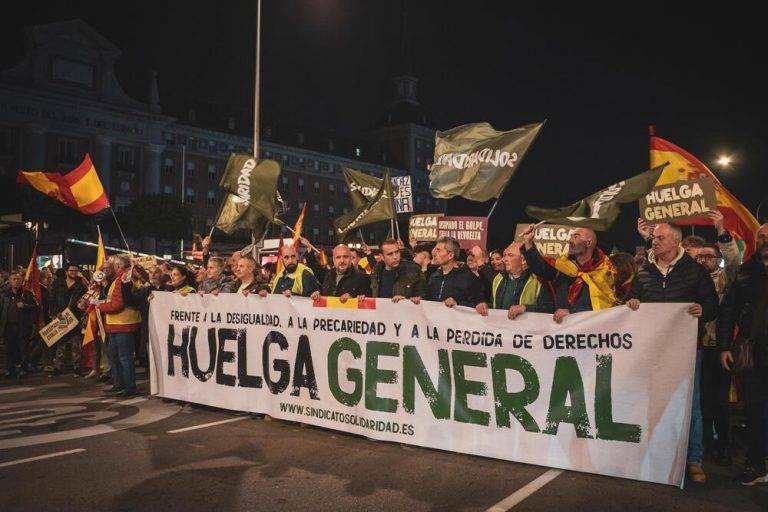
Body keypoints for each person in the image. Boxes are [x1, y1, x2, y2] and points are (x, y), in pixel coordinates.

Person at [626, 222, 718, 483]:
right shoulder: (644, 271)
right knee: (653, 400)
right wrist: (632, 302)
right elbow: (633, 298)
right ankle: (657, 453)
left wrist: (704, 310)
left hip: (687, 349)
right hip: (653, 350)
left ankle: (694, 460)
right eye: (654, 238)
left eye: (661, 238)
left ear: (676, 242)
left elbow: (712, 305)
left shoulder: (695, 271)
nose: (655, 242)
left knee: (692, 404)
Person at [718, 240, 768, 485]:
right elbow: (728, 311)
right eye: (762, 237)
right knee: (754, 409)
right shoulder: (745, 273)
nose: (766, 241)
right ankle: (756, 463)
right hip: (754, 353)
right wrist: (725, 346)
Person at [521, 225, 617, 323]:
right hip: (564, 330)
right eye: (570, 237)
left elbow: (610, 304)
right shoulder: (562, 266)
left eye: (576, 237)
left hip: (594, 328)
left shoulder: (607, 270)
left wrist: (572, 312)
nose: (570, 240)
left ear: (588, 243)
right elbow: (539, 267)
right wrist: (528, 242)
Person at [95, 255, 142, 397]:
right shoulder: (121, 278)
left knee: (123, 357)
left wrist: (100, 305)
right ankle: (119, 384)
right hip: (117, 324)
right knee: (114, 356)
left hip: (123, 324)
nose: (110, 267)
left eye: (113, 265)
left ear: (118, 267)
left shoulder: (122, 279)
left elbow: (117, 304)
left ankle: (128, 387)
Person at [487, 242, 554, 318]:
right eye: (504, 255)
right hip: (501, 328)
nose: (504, 259)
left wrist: (526, 308)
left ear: (523, 260)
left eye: (510, 255)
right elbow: (493, 305)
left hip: (527, 328)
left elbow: (549, 309)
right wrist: (485, 306)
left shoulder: (538, 280)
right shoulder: (498, 278)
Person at [50, 263, 87, 376]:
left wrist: (82, 307)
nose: (73, 273)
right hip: (61, 316)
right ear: (66, 271)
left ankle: (77, 367)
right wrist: (56, 312)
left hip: (75, 317)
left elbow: (85, 301)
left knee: (76, 343)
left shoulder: (81, 286)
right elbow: (52, 300)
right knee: (61, 342)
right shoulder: (57, 284)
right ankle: (58, 368)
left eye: (76, 271)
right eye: (71, 270)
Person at [426, 236, 484, 309]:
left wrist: (457, 303)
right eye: (435, 249)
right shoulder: (434, 276)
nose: (434, 253)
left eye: (438, 250)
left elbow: (478, 305)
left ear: (450, 255)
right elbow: (427, 301)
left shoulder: (468, 277)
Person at [0, 271, 37, 378]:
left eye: (18, 279)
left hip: (23, 326)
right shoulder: (4, 294)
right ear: (9, 281)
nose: (16, 281)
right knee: (9, 349)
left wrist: (24, 305)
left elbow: (36, 306)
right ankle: (10, 369)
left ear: (21, 281)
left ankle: (23, 369)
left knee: (23, 349)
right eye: (14, 279)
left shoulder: (27, 293)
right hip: (8, 326)